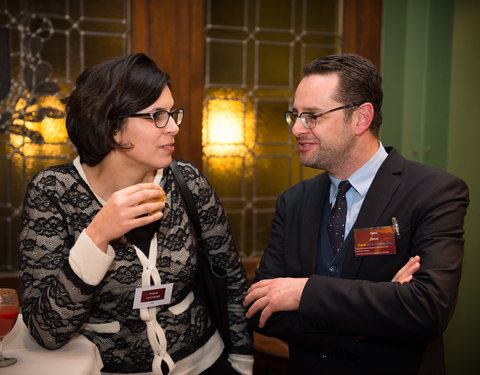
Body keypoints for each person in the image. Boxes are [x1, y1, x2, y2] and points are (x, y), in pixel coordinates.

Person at [18, 53, 253, 375]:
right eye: (157, 115)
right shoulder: (53, 191)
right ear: (112, 127)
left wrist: (242, 363)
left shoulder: (187, 180)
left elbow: (232, 279)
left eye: (172, 114)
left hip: (204, 363)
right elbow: (47, 331)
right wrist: (97, 236)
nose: (173, 127)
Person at [243, 54, 469, 374]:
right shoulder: (294, 202)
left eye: (312, 116)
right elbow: (260, 310)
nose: (296, 128)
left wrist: (304, 293)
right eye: (295, 115)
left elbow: (428, 308)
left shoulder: (434, 192)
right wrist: (375, 320)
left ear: (361, 118)